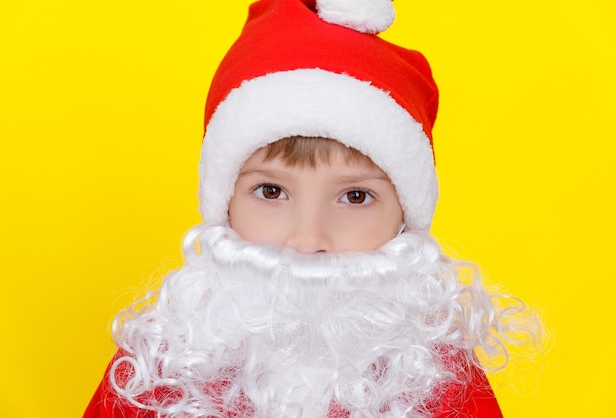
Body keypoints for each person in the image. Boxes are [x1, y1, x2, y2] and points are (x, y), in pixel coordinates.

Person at [85, 0, 537, 416]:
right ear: (223, 204)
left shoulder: (439, 377)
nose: (307, 239)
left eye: (355, 197)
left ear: (405, 217)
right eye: (271, 192)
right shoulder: (160, 366)